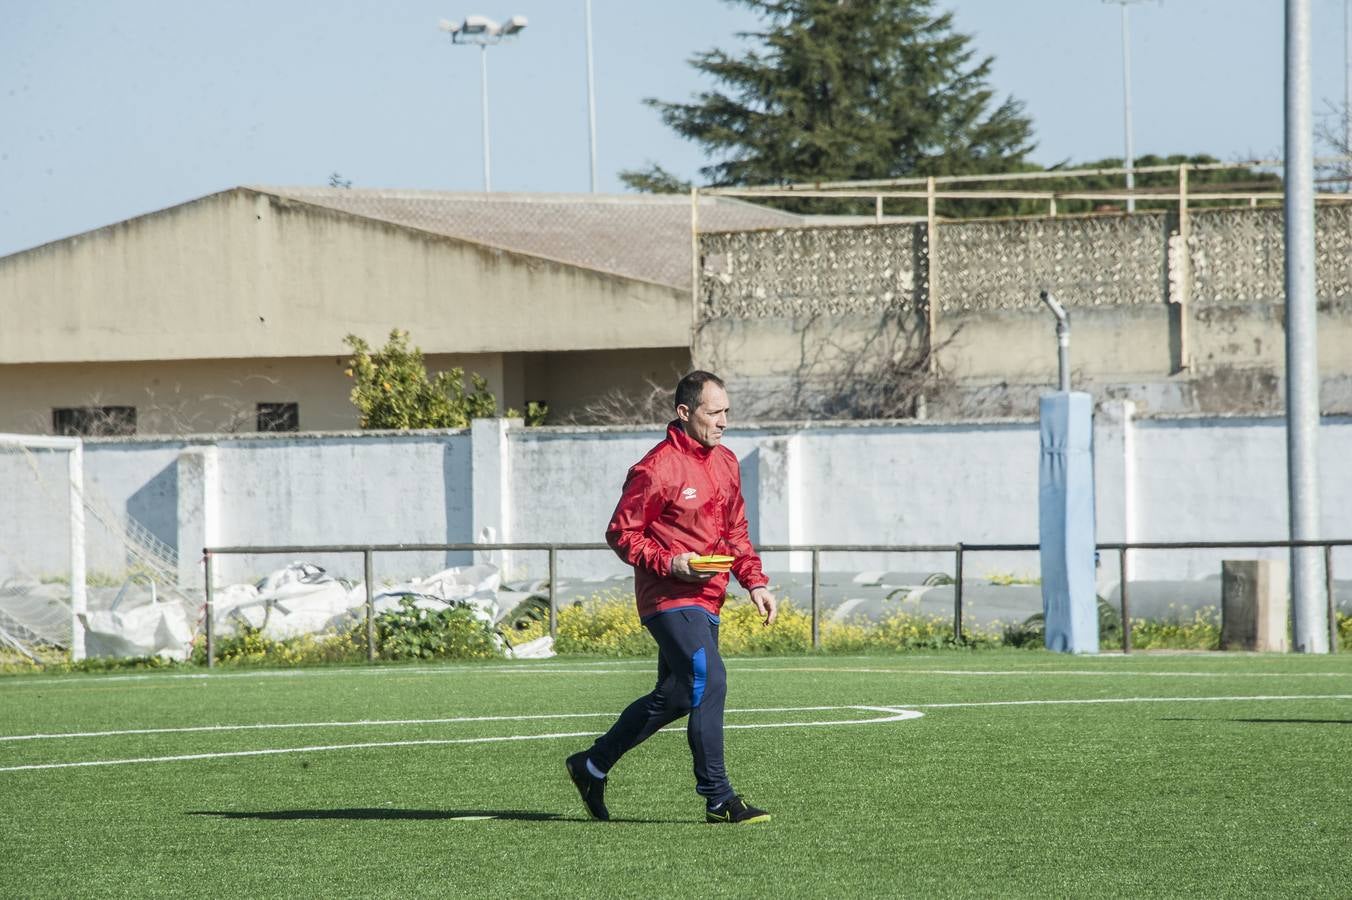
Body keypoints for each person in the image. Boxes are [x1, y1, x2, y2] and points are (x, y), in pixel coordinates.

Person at [565, 370, 777, 825]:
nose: (724, 421)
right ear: (684, 412)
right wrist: (670, 563)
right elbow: (622, 533)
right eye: (714, 412)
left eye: (726, 412)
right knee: (711, 681)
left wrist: (754, 581)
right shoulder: (657, 467)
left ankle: (592, 765)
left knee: (679, 695)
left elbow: (735, 532)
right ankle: (719, 798)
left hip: (709, 597)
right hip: (668, 599)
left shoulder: (726, 462)